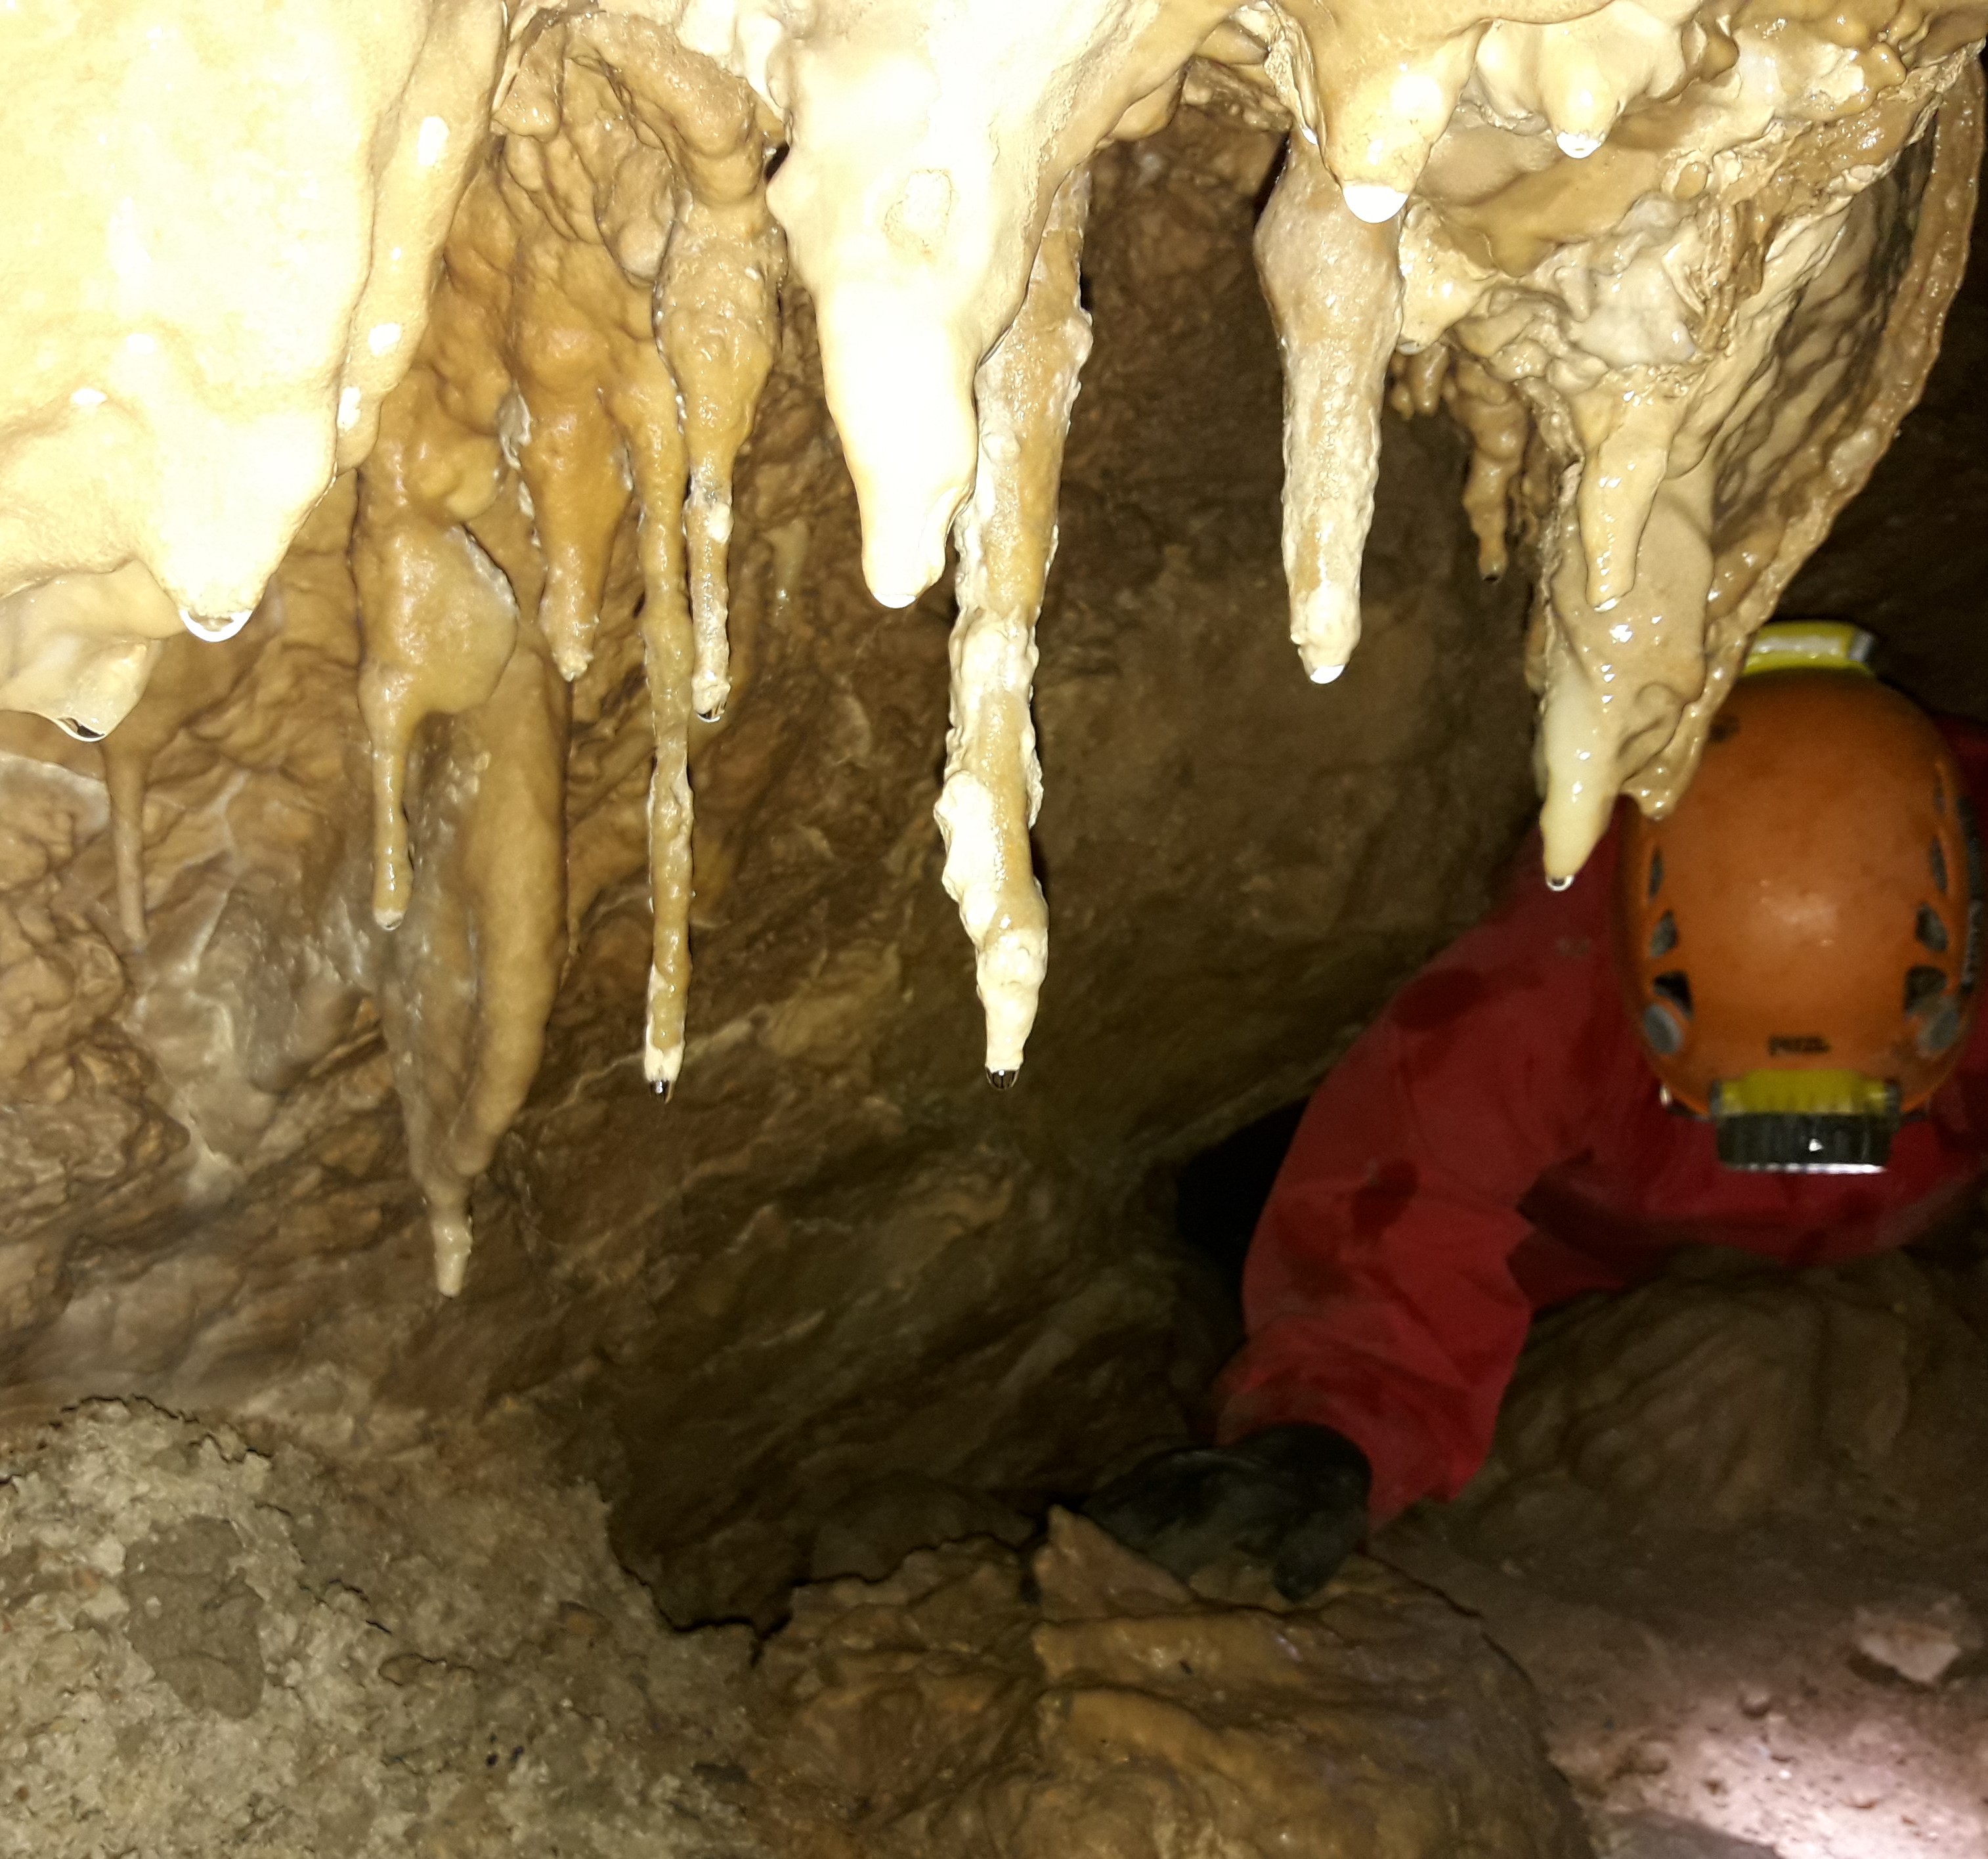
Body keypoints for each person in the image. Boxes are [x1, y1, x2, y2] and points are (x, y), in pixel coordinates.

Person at [1088, 621, 1988, 1598]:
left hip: (1904, 1243)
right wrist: (1326, 1440)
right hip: (1576, 1282)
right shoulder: (1550, 972)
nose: (1806, 1142)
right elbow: (1399, 1206)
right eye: (1747, 1095)